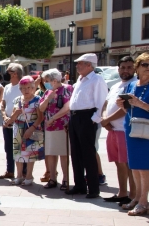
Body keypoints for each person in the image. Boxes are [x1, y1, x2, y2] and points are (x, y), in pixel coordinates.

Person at [66, 54, 108, 198]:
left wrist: (94, 119)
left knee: (88, 154)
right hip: (75, 117)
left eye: (81, 63)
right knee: (76, 152)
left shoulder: (97, 80)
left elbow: (102, 102)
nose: (77, 66)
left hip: (87, 117)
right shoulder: (80, 79)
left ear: (89, 65)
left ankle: (93, 189)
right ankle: (80, 185)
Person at [101, 57, 137, 205]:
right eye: (123, 67)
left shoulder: (133, 85)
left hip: (125, 130)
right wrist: (105, 119)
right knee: (118, 163)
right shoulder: (116, 86)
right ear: (118, 69)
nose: (125, 70)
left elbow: (125, 109)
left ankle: (133, 195)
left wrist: (107, 119)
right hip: (112, 131)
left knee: (128, 164)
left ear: (134, 69)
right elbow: (105, 104)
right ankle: (122, 193)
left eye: (129, 67)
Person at [119, 52, 149, 216]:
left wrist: (139, 103)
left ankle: (144, 201)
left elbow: (143, 106)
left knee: (145, 167)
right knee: (135, 165)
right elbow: (128, 108)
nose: (148, 68)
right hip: (131, 127)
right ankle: (137, 197)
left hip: (146, 129)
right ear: (137, 67)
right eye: (144, 65)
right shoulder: (132, 85)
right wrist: (122, 104)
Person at [5, 76, 45, 186]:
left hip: (32, 128)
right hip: (18, 128)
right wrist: (16, 114)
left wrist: (31, 129)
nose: (26, 90)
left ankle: (29, 176)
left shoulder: (37, 100)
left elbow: (40, 117)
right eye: (23, 88)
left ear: (33, 88)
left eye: (29, 88)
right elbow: (12, 118)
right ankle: (18, 176)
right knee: (17, 152)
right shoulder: (17, 100)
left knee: (30, 153)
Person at [39, 69, 72, 190]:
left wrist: (53, 118)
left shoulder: (67, 89)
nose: (45, 83)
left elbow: (67, 107)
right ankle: (52, 178)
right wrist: (48, 98)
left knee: (63, 153)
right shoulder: (47, 92)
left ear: (54, 80)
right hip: (49, 127)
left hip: (62, 126)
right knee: (51, 153)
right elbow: (41, 108)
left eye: (47, 81)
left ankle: (65, 179)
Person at [0, 63, 24, 180]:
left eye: (8, 71)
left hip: (18, 122)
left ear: (15, 73)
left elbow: (22, 106)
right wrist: (4, 117)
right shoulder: (7, 87)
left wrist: (11, 119)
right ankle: (10, 170)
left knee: (19, 148)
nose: (5, 73)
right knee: (8, 148)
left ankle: (23, 173)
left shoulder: (22, 87)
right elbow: (3, 104)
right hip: (7, 122)